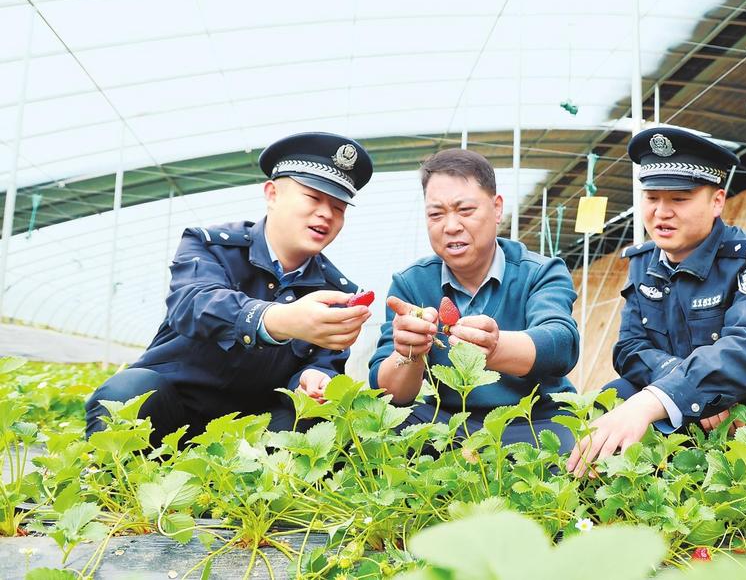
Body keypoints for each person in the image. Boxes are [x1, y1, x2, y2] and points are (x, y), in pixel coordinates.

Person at [568, 126, 746, 476]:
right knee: (615, 396)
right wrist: (685, 387)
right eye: (652, 198)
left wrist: (659, 398)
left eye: (679, 199)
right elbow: (630, 348)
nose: (661, 212)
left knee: (639, 404)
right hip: (702, 423)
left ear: (717, 201)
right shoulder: (644, 264)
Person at [85, 132, 374, 446]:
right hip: (173, 408)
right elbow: (192, 304)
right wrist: (278, 320)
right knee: (128, 395)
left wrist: (314, 379)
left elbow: (325, 363)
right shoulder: (210, 246)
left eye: (339, 207)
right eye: (313, 198)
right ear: (272, 194)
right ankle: (114, 472)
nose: (326, 214)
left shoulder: (336, 292)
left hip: (250, 434)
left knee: (316, 423)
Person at [369, 149, 580, 452]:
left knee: (569, 448)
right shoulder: (411, 283)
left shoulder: (540, 272)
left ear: (497, 208)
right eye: (436, 214)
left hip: (533, 419)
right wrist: (408, 352)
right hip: (450, 421)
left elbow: (560, 344)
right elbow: (390, 393)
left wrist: (495, 347)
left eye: (465, 210)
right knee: (381, 431)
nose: (451, 226)